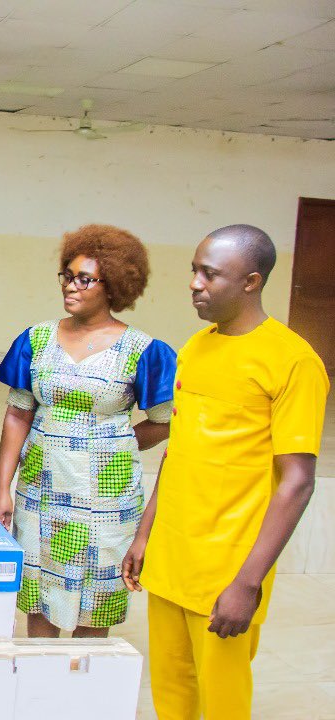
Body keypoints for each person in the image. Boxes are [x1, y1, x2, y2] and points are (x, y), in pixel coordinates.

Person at [123, 224, 328, 719]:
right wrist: (145, 534)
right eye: (195, 270)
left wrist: (247, 584)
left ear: (251, 281)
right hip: (172, 555)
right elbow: (178, 453)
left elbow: (297, 483)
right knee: (171, 691)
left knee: (221, 698)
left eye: (210, 274)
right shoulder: (195, 347)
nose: (195, 283)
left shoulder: (294, 362)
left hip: (228, 568)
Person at [0, 224, 176, 639]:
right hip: (40, 489)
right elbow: (18, 413)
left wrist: (115, 444)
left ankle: (83, 688)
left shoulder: (145, 351)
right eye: (67, 276)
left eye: (84, 279)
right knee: (39, 589)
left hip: (106, 497)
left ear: (114, 285)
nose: (71, 286)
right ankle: (40, 684)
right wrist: (2, 488)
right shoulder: (36, 340)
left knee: (97, 593)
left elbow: (166, 420)